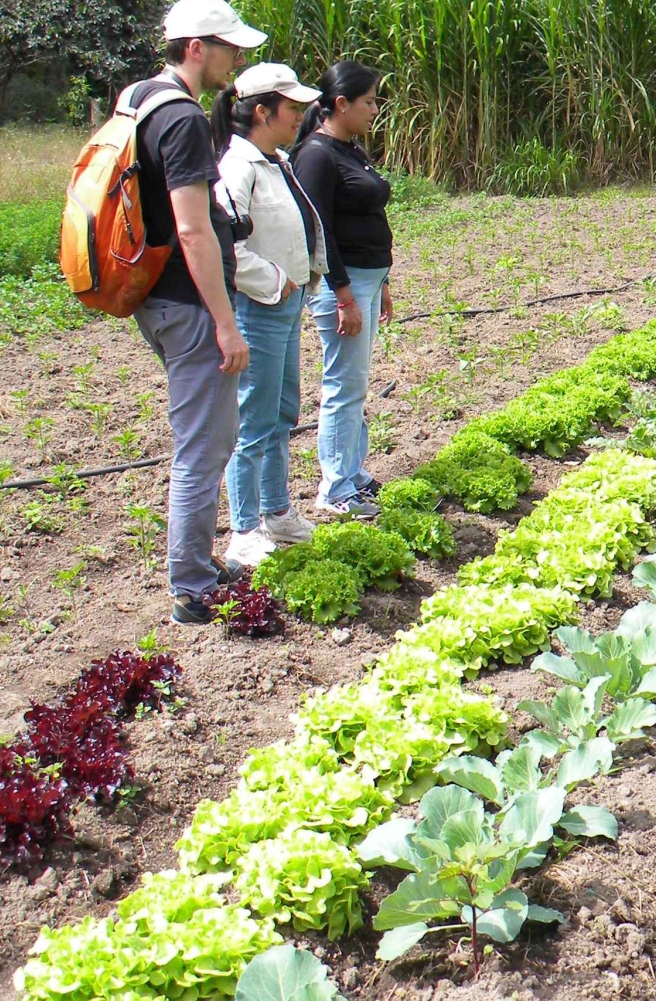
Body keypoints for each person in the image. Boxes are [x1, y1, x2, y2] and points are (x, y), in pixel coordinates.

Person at [130, 0, 266, 624]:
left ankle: (200, 565)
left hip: (156, 296)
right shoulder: (182, 117)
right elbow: (192, 229)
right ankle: (190, 585)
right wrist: (225, 322)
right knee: (203, 445)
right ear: (194, 46)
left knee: (206, 436)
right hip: (189, 302)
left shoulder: (139, 98)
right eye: (229, 46)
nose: (238, 58)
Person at [211, 63, 327, 567]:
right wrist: (276, 283)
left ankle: (277, 511)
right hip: (260, 308)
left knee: (281, 411)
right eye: (293, 109)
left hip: (285, 305)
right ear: (262, 111)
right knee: (254, 419)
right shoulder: (236, 168)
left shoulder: (274, 160)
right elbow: (223, 246)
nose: (300, 117)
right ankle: (243, 528)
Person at [291, 61, 393, 519]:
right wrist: (346, 296)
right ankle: (334, 487)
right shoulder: (316, 155)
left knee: (356, 382)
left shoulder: (350, 150)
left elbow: (369, 219)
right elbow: (321, 231)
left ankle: (353, 472)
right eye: (369, 101)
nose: (375, 109)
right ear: (341, 104)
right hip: (342, 286)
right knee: (342, 385)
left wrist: (382, 282)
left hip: (367, 281)